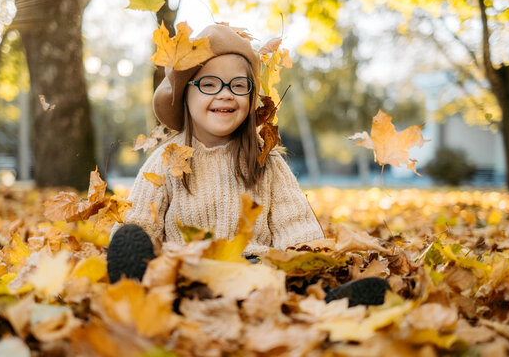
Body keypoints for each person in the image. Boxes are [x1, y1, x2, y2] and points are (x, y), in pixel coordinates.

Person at [106, 24, 390, 307]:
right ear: (185, 95)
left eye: (238, 85)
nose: (226, 93)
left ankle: (325, 302)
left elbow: (294, 227)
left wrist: (307, 264)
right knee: (133, 241)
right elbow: (141, 223)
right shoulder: (166, 159)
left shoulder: (266, 161)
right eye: (209, 84)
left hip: (254, 277)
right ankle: (140, 295)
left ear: (251, 97)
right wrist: (134, 247)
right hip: (187, 275)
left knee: (290, 283)